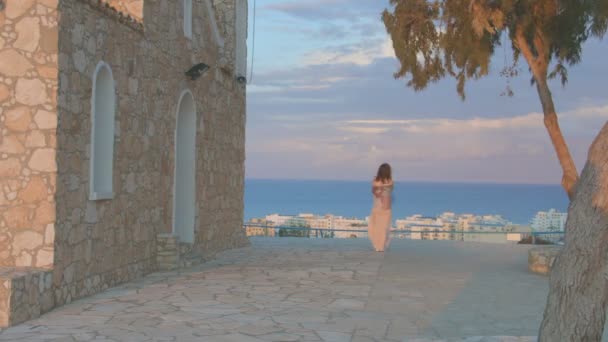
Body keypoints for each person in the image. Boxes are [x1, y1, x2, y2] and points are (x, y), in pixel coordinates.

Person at [368, 163, 394, 252]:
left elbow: (377, 189)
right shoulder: (385, 180)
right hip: (381, 206)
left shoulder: (386, 180)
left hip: (382, 206)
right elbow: (375, 190)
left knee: (379, 227)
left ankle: (379, 246)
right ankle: (379, 246)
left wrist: (379, 188)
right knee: (378, 227)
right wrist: (379, 190)